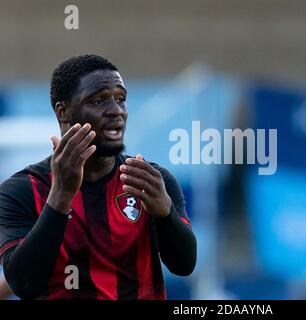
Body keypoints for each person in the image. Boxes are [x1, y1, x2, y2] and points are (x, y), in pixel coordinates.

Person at [0, 55, 197, 300]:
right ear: (63, 112)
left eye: (121, 99)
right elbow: (23, 283)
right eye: (99, 100)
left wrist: (165, 213)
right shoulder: (23, 190)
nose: (116, 111)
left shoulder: (150, 181)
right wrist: (61, 197)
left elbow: (184, 265)